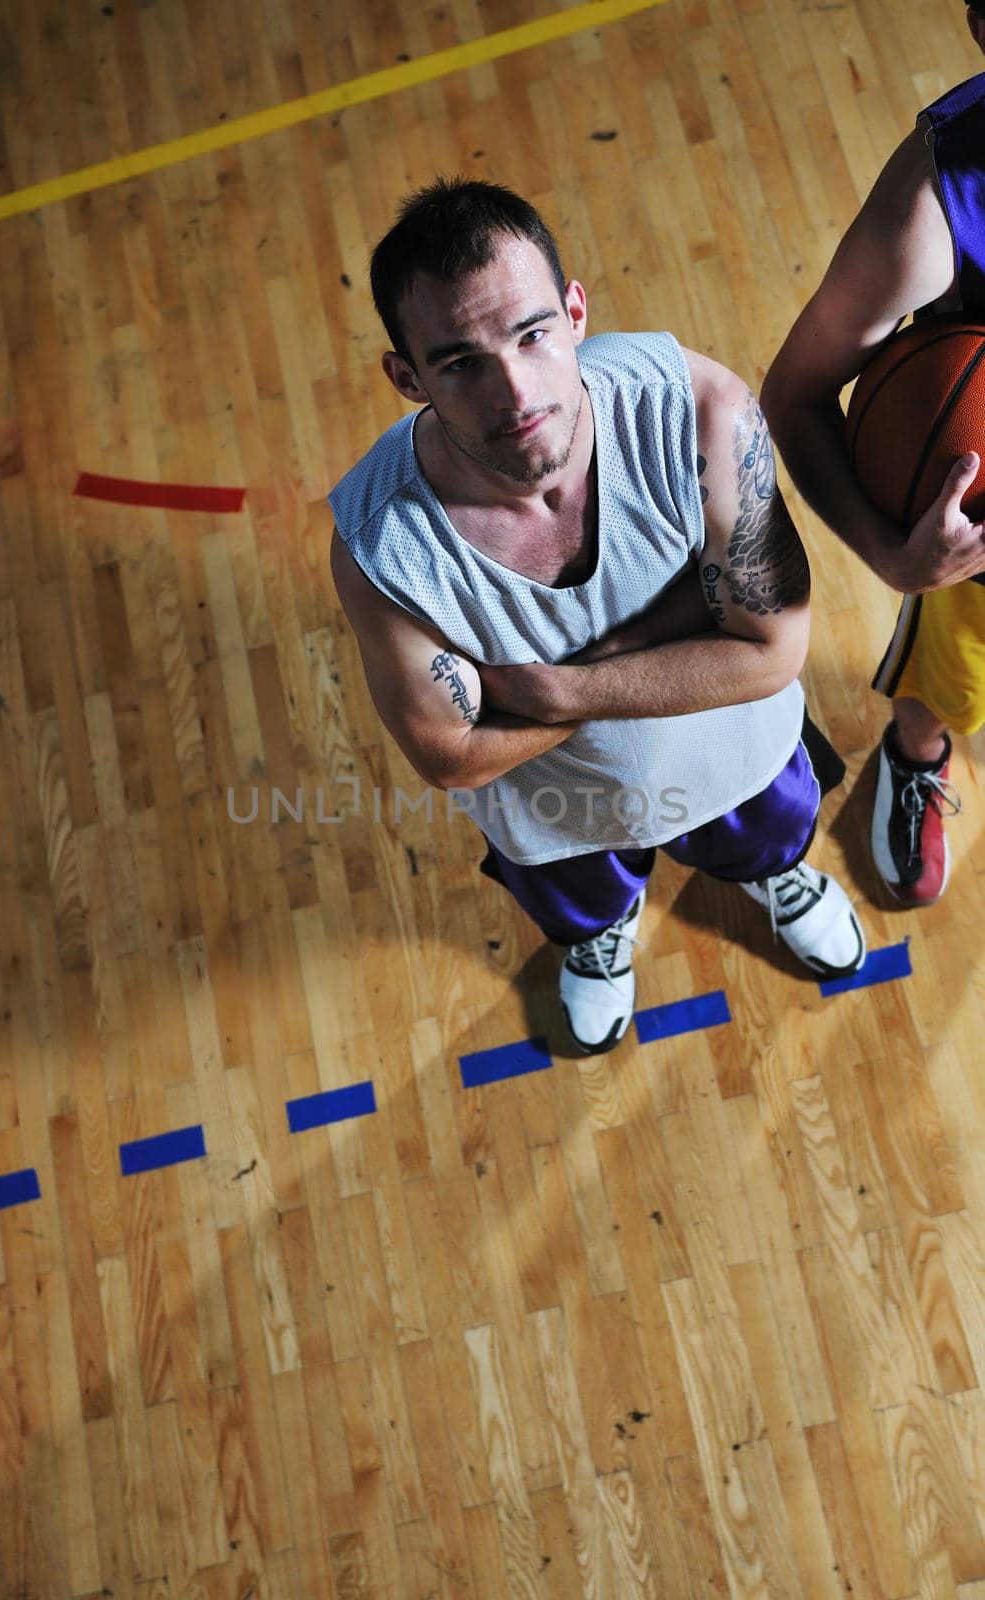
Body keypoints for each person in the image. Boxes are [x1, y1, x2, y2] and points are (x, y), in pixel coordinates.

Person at [329, 179, 865, 1055]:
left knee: (766, 843)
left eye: (532, 333)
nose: (513, 390)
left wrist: (547, 687)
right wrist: (678, 629)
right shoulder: (379, 545)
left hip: (733, 752)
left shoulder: (699, 411)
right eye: (460, 361)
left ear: (575, 312)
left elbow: (769, 654)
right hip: (555, 813)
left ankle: (778, 880)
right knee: (580, 907)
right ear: (406, 377)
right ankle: (597, 941)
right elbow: (452, 758)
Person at [762, 6, 985, 906]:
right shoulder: (934, 207)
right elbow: (796, 394)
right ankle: (914, 754)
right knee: (949, 683)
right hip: (979, 564)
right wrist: (891, 553)